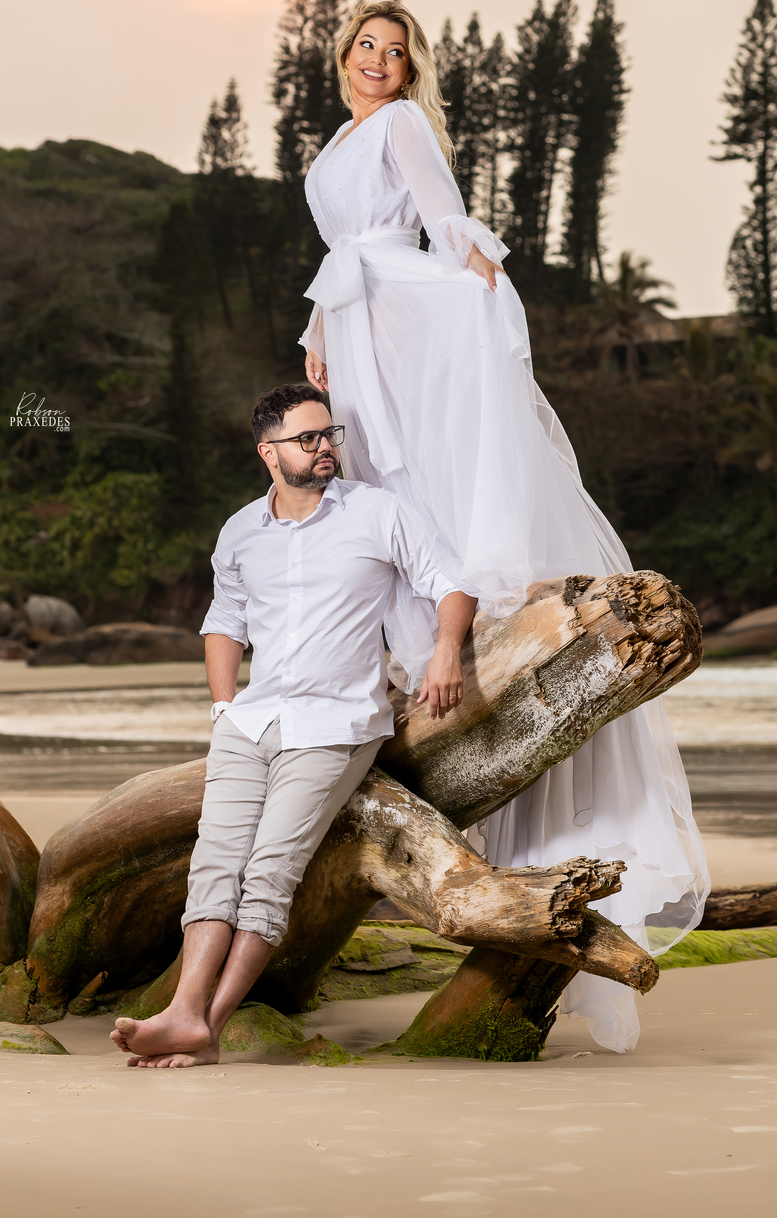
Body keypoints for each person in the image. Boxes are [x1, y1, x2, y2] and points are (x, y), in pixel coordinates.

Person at [300, 0, 709, 1054]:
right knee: (384, 485)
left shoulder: (400, 125)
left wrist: (480, 281)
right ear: (342, 56)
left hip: (402, 311)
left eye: (395, 52)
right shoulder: (340, 138)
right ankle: (413, 658)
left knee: (419, 476)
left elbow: (441, 217)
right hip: (357, 318)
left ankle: (457, 653)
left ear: (410, 70)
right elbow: (345, 247)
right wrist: (318, 328)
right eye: (366, 46)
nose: (379, 61)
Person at [111, 384, 474, 1069]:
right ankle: (184, 1012)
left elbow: (451, 582)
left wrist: (446, 651)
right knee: (215, 864)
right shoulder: (241, 530)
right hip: (251, 721)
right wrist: (224, 707)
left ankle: (208, 1025)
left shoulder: (378, 512)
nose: (324, 447)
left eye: (328, 434)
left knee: (271, 870)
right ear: (268, 453)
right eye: (307, 438)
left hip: (337, 723)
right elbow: (225, 621)